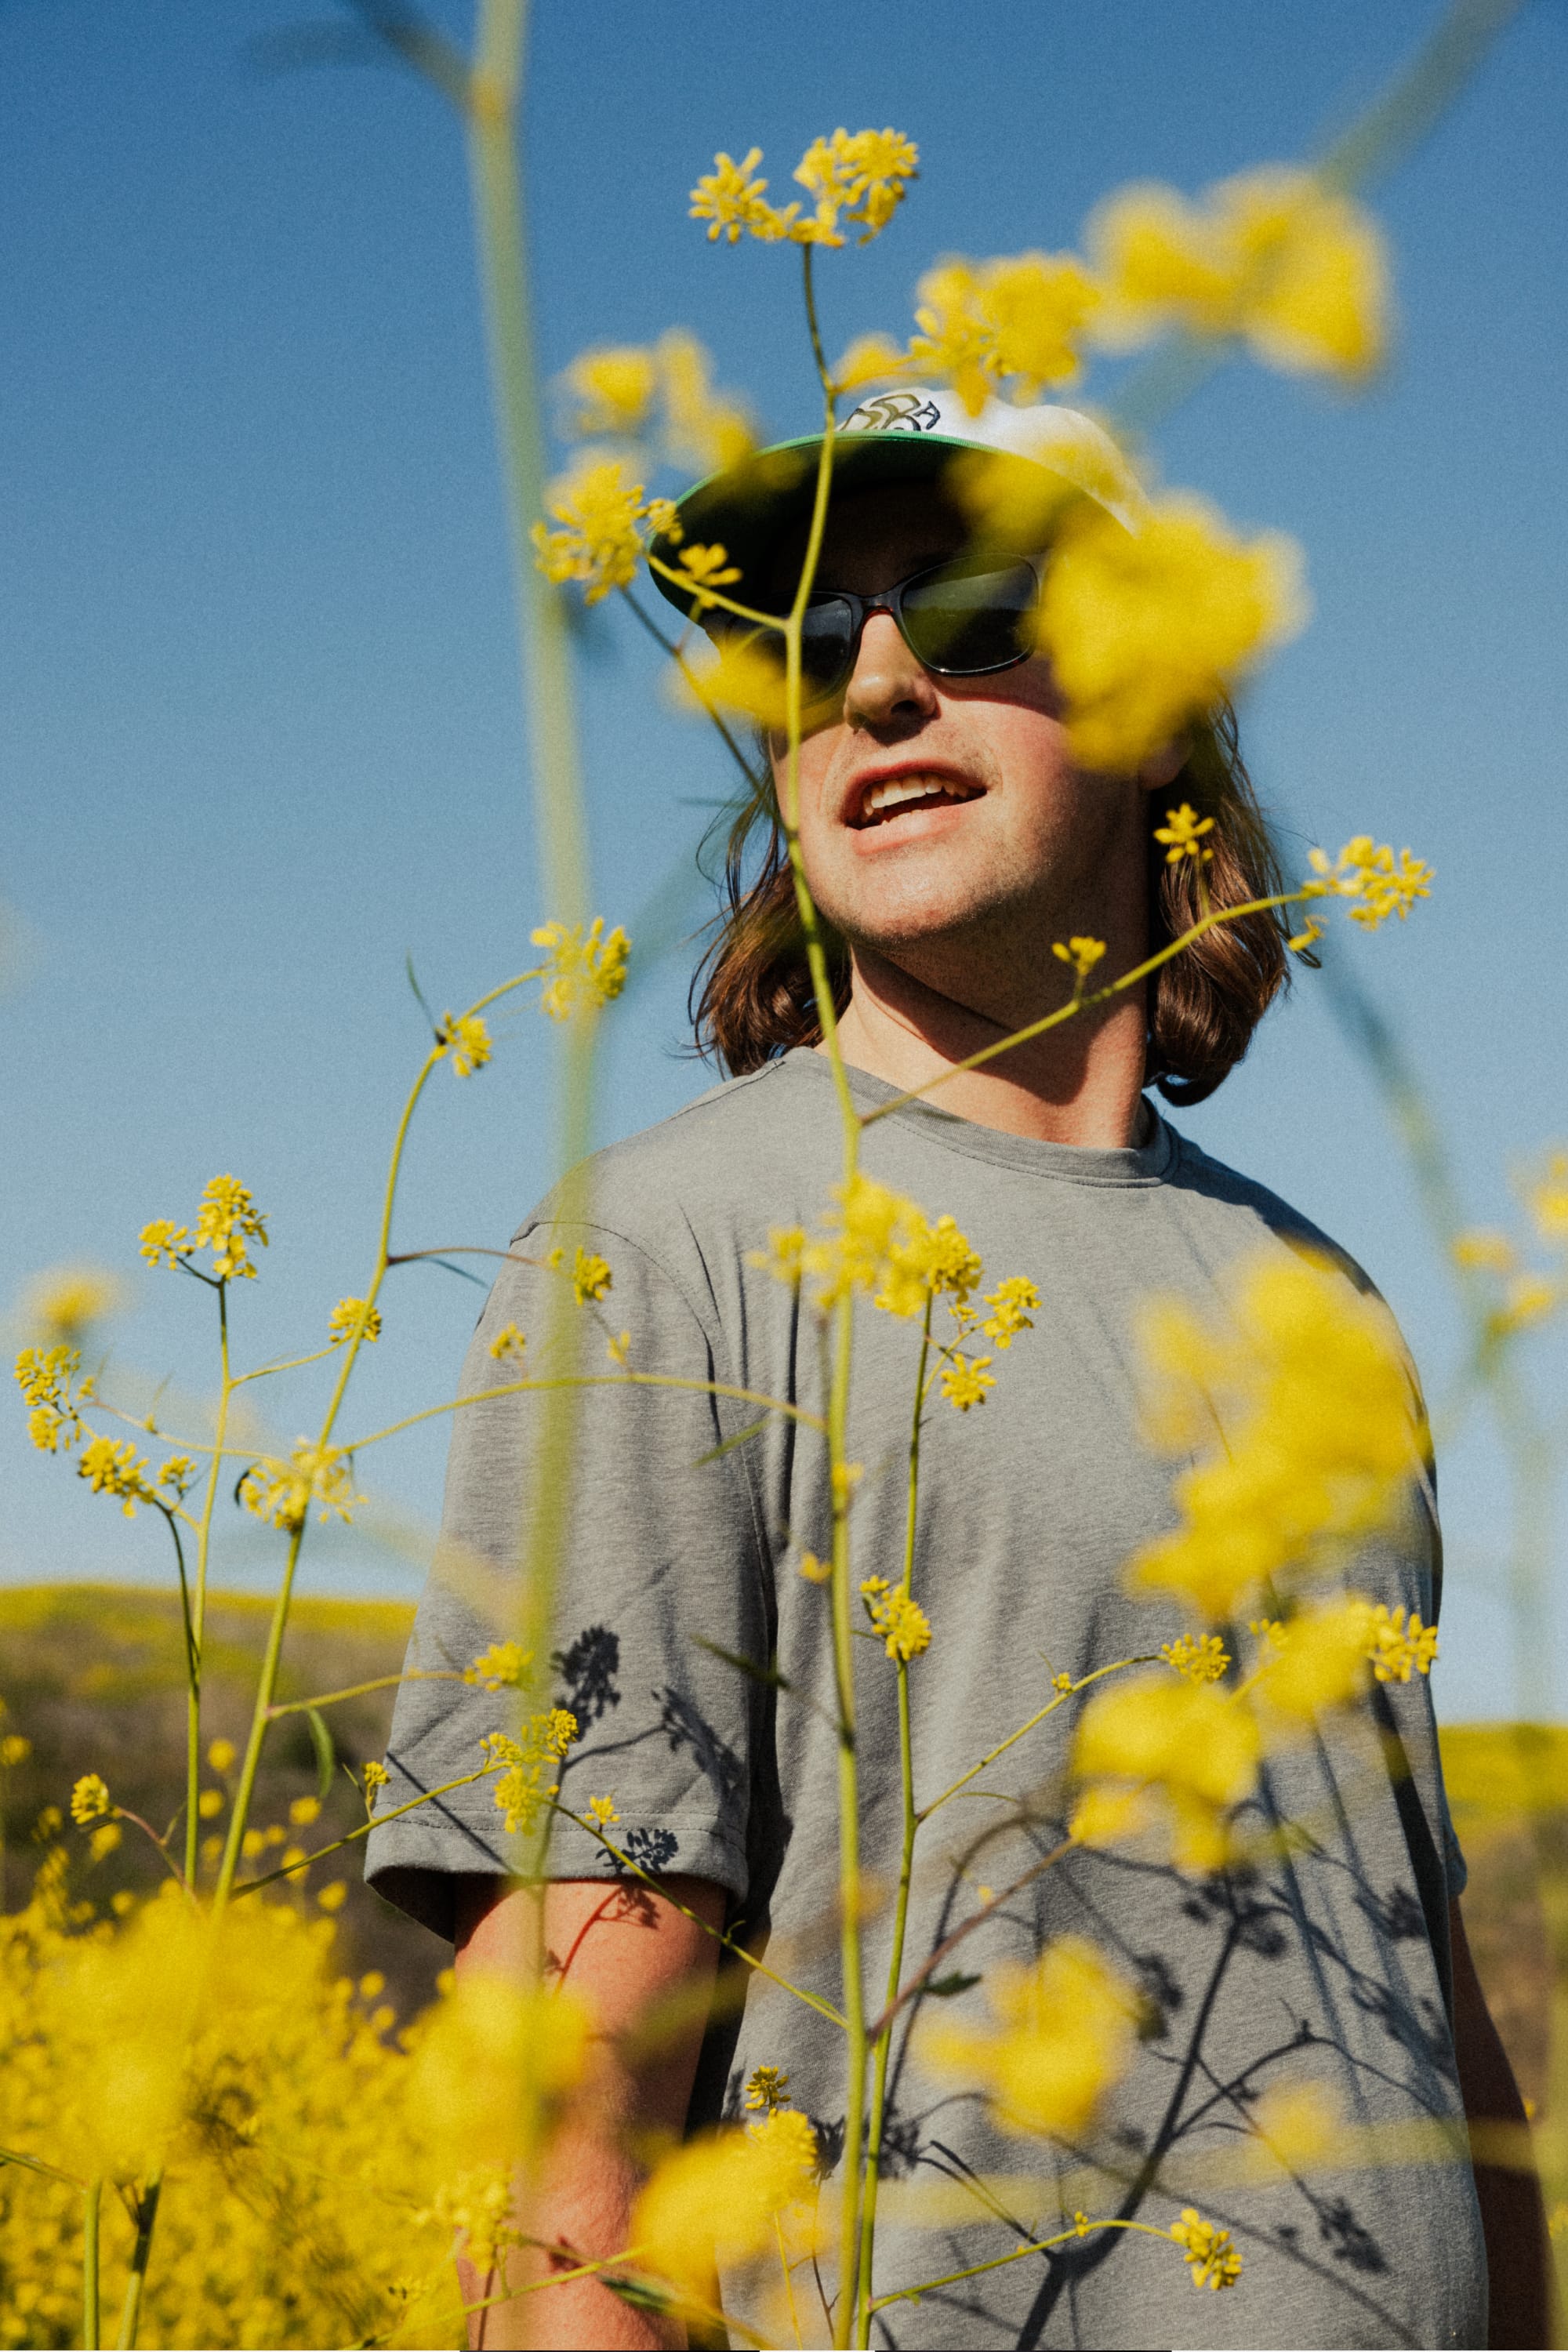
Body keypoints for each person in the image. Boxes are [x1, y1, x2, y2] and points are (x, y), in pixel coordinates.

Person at [365, 391, 1546, 2350]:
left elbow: (1427, 2009)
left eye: (975, 607)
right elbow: (564, 2149)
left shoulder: (1321, 1305)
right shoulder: (668, 1252)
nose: (882, 682)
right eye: (811, 646)